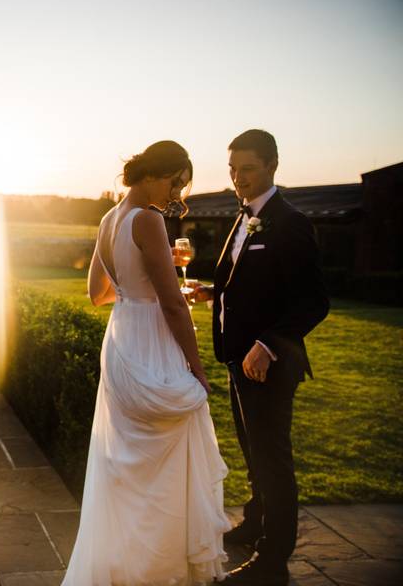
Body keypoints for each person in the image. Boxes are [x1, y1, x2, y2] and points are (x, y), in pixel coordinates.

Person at [61, 141, 229, 586]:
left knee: (128, 463)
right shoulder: (149, 219)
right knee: (167, 457)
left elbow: (98, 294)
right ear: (162, 173)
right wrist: (197, 367)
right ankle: (160, 570)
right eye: (178, 183)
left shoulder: (108, 218)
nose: (177, 195)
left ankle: (126, 565)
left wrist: (148, 276)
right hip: (153, 342)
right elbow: (173, 306)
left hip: (121, 343)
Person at [192, 129, 329, 585]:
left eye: (247, 169)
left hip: (269, 363)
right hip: (238, 359)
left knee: (273, 461)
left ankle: (272, 560)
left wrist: (268, 345)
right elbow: (252, 284)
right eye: (232, 170)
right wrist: (215, 292)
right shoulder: (246, 215)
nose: (238, 178)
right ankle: (254, 524)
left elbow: (312, 302)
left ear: (272, 165)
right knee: (254, 455)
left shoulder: (290, 221)